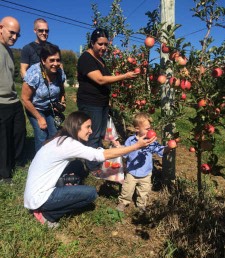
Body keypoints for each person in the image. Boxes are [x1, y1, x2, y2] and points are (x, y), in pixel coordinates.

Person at [24, 111, 156, 228]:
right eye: (88, 127)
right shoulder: (69, 144)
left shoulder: (62, 140)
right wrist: (136, 146)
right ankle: (47, 215)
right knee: (91, 193)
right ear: (76, 127)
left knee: (78, 166)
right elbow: (99, 156)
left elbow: (94, 152)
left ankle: (58, 195)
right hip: (39, 198)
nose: (91, 131)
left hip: (34, 192)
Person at [77, 28, 139, 174]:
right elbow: (100, 79)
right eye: (100, 44)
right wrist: (125, 76)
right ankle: (92, 167)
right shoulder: (86, 58)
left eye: (106, 44)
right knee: (93, 134)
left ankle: (96, 160)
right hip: (91, 103)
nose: (103, 47)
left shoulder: (100, 59)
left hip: (101, 103)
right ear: (92, 43)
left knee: (98, 134)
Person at [116, 112, 174, 212]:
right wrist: (120, 149)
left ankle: (141, 204)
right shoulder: (130, 141)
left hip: (146, 173)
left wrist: (168, 148)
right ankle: (123, 201)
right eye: (147, 129)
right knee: (127, 189)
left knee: (144, 191)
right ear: (137, 129)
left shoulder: (151, 141)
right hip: (132, 172)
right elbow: (125, 152)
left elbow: (159, 150)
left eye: (150, 128)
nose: (150, 131)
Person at [21, 43, 66, 153]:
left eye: (58, 60)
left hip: (50, 107)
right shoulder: (34, 73)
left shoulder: (60, 72)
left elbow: (62, 89)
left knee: (55, 134)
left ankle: (53, 160)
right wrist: (39, 118)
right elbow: (25, 99)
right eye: (52, 60)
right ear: (43, 60)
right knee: (42, 134)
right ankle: (39, 165)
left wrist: (62, 102)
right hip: (35, 108)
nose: (56, 64)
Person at [0, 16, 26, 183]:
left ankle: (15, 162)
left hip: (13, 100)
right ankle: (4, 174)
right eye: (11, 33)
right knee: (3, 140)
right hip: (1, 102)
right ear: (0, 27)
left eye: (17, 34)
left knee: (19, 133)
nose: (14, 37)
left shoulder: (8, 50)